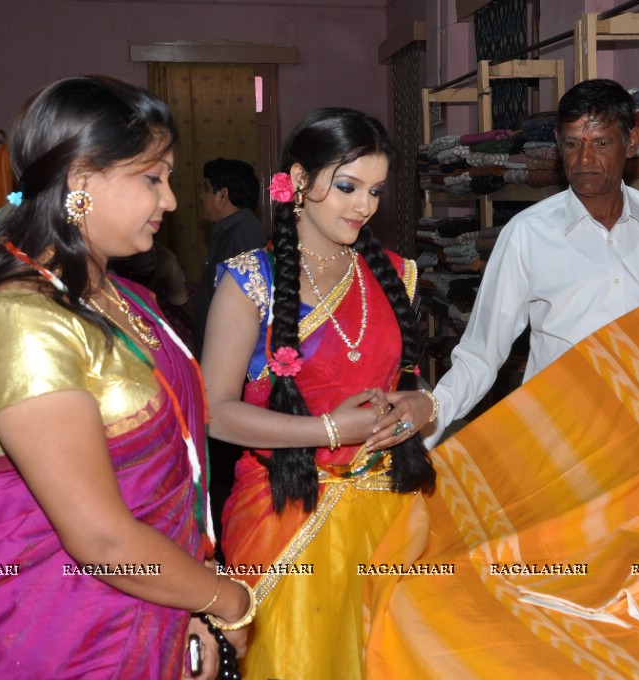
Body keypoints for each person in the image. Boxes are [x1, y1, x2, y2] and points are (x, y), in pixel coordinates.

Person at [0, 75, 253, 679]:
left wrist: (193, 592)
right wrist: (229, 601)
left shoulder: (128, 297)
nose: (170, 200)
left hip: (162, 589)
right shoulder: (22, 321)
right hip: (79, 623)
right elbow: (102, 541)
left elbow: (181, 458)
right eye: (152, 177)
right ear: (81, 182)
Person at [201, 107, 438, 679]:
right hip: (287, 507)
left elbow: (405, 382)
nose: (365, 206)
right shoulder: (250, 279)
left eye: (376, 191)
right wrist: (329, 431)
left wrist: (422, 405)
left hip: (394, 503)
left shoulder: (396, 272)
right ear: (299, 181)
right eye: (349, 187)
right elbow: (212, 412)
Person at [426, 79, 639, 446]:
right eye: (572, 144)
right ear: (558, 146)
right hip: (560, 436)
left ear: (630, 143)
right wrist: (425, 425)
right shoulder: (527, 235)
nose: (584, 160)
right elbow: (481, 354)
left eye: (600, 143)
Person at [192, 157, 268, 355]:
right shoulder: (229, 230)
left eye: (206, 188)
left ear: (223, 195)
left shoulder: (244, 233)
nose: (201, 196)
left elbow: (247, 305)